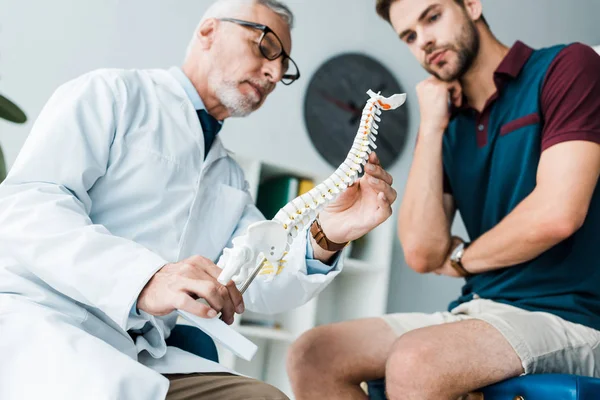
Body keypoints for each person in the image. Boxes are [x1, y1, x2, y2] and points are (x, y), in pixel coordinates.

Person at [0, 0, 398, 399]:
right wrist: (143, 279)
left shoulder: (228, 176)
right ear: (208, 32)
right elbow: (29, 207)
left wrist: (327, 235)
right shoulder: (112, 95)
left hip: (138, 353)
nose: (275, 72)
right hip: (50, 323)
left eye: (284, 66)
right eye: (265, 46)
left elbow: (254, 280)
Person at [286, 0, 600, 399]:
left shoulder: (567, 68)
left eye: (432, 17)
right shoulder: (446, 121)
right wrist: (432, 125)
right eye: (410, 37)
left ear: (471, 5)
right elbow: (420, 251)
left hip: (570, 315)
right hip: (481, 308)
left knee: (416, 361)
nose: (425, 42)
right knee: (313, 354)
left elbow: (557, 214)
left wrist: (462, 260)